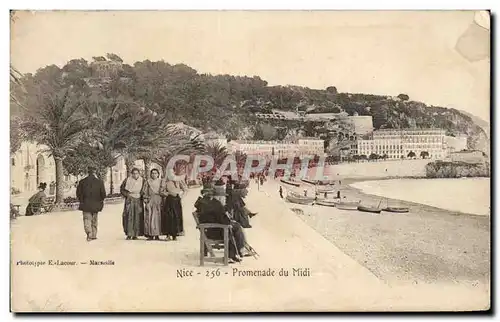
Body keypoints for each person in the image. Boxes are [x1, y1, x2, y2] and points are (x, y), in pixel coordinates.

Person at [196, 188, 247, 263]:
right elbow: (221, 218)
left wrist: (229, 222)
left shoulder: (210, 203)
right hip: (215, 231)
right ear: (217, 196)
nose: (224, 199)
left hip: (211, 230)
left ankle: (236, 252)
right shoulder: (215, 205)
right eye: (223, 197)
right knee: (235, 227)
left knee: (236, 226)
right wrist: (229, 222)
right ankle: (235, 252)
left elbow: (220, 218)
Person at [76, 167, 106, 241]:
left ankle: (89, 232)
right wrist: (100, 201)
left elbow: (78, 193)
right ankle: (94, 234)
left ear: (88, 172)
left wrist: (82, 200)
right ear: (95, 172)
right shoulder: (99, 182)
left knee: (87, 219)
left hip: (85, 204)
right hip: (96, 204)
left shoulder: (82, 182)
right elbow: (103, 194)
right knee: (94, 220)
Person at [120, 168, 146, 240]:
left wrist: (141, 195)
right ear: (131, 174)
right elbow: (122, 189)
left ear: (139, 174)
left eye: (137, 173)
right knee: (129, 216)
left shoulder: (142, 180)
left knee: (137, 216)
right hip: (130, 199)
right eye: (134, 173)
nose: (135, 175)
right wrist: (127, 195)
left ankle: (136, 234)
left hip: (138, 199)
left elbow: (144, 190)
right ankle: (129, 234)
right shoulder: (127, 180)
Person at [160, 175, 187, 240]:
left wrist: (181, 196)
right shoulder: (165, 182)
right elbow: (161, 191)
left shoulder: (179, 181)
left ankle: (175, 235)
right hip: (169, 200)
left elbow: (185, 189)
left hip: (177, 201)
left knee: (176, 217)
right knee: (168, 217)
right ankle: (168, 235)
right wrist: (168, 194)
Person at [143, 169, 162, 240]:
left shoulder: (161, 182)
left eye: (155, 173)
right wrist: (146, 200)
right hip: (150, 200)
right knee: (149, 217)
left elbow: (163, 191)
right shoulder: (148, 182)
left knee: (157, 217)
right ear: (150, 174)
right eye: (152, 173)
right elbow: (145, 192)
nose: (154, 175)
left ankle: (157, 234)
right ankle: (150, 234)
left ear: (158, 174)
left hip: (158, 200)